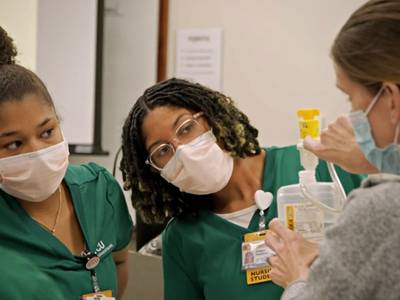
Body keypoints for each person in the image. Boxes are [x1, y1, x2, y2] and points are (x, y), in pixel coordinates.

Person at [120, 77, 363, 300]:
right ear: (154, 170)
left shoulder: (319, 166)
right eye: (163, 151)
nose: (182, 151)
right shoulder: (183, 238)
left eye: (186, 128)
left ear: (212, 116)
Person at [265, 1, 400, 299]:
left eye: (351, 98)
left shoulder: (380, 207)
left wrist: (297, 278)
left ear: (390, 97)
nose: (351, 114)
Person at [0, 26, 133, 299]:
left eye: (47, 132)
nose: (37, 150)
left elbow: (120, 261)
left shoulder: (99, 189)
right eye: (14, 144)